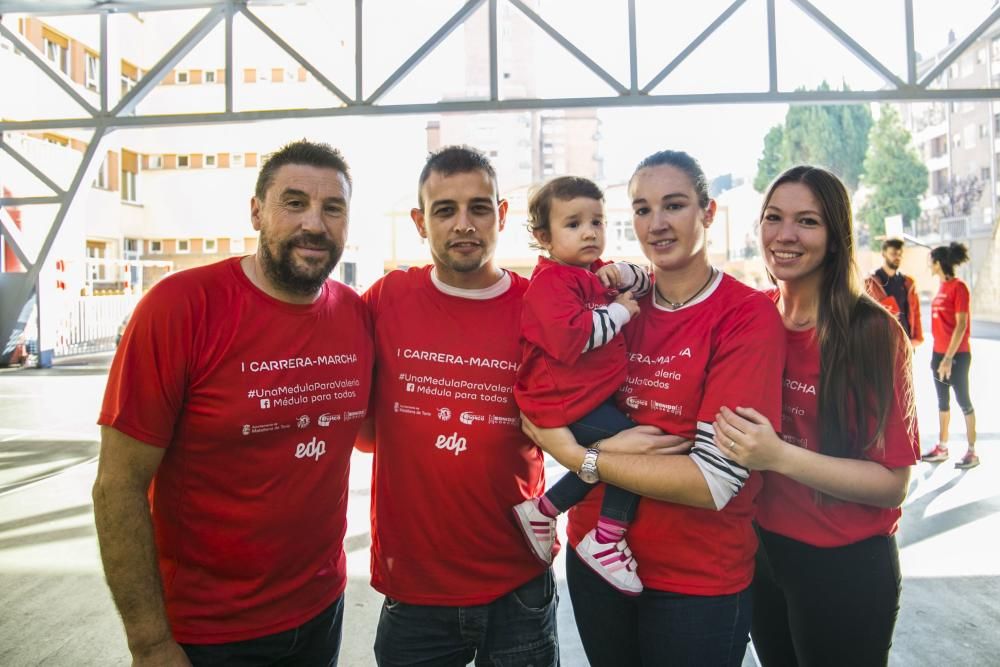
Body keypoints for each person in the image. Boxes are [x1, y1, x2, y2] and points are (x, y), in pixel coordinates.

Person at [93, 140, 373, 666]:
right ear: (256, 212)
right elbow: (117, 486)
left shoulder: (356, 316)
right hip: (209, 633)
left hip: (321, 608)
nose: (315, 223)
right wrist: (150, 644)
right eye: (294, 202)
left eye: (332, 208)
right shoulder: (180, 308)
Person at [521, 150, 786, 666]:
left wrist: (580, 458)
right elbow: (547, 396)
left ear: (707, 213)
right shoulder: (614, 307)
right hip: (595, 563)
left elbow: (715, 481)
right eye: (642, 209)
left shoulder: (745, 317)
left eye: (675, 205)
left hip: (696, 578)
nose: (657, 224)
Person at [358, 145, 558, 666]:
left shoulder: (539, 309)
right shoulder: (385, 300)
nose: (464, 224)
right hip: (415, 589)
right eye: (445, 210)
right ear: (421, 222)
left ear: (502, 215)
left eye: (479, 208)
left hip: (517, 582)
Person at [714, 165, 919, 666]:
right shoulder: (750, 322)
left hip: (844, 566)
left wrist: (778, 456)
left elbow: (892, 483)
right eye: (773, 218)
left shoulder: (873, 333)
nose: (785, 235)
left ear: (835, 237)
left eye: (807, 221)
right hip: (762, 555)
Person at [512, 175, 655, 596]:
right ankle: (607, 537)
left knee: (605, 456)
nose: (590, 231)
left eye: (598, 220)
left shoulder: (594, 272)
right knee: (633, 454)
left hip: (583, 399)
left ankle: (544, 509)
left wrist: (623, 271)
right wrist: (621, 313)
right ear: (545, 237)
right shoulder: (550, 284)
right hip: (561, 402)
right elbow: (573, 338)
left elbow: (647, 281)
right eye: (573, 224)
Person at [921, 242, 977, 469]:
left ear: (938, 264)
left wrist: (948, 358)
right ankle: (942, 447)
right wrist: (940, 357)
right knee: (942, 402)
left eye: (931, 262)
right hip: (939, 353)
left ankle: (972, 451)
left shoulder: (958, 287)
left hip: (957, 356)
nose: (929, 266)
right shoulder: (942, 288)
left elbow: (961, 325)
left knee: (963, 401)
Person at [864, 237, 923, 345]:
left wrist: (918, 338)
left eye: (900, 254)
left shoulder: (907, 282)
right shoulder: (871, 282)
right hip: (882, 342)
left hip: (905, 342)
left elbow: (915, 311)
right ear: (884, 253)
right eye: (893, 253)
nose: (897, 257)